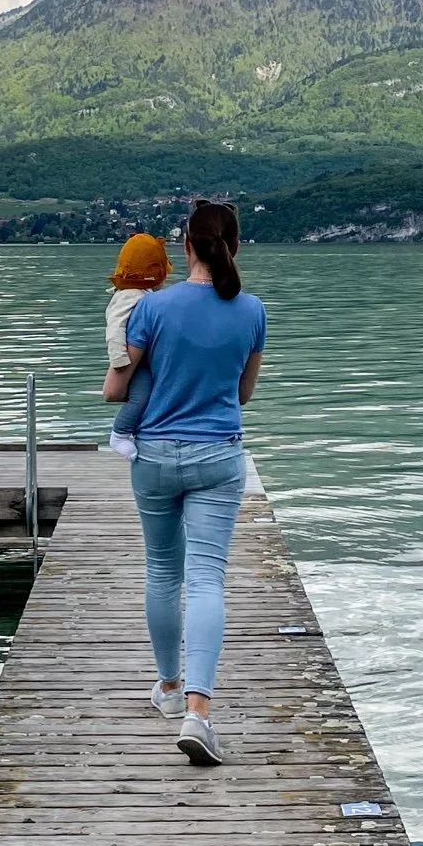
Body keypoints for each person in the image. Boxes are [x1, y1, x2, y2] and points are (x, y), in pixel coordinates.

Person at [102, 200, 266, 768]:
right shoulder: (251, 312)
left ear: (186, 248)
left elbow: (117, 388)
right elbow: (244, 395)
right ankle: (199, 711)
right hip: (219, 457)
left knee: (162, 571)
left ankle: (168, 689)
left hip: (153, 457)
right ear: (234, 247)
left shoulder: (151, 309)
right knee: (207, 580)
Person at [102, 233, 171, 459]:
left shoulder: (142, 295)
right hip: (134, 363)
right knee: (140, 396)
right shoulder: (129, 296)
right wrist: (120, 361)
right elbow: (114, 328)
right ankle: (119, 433)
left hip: (143, 360)